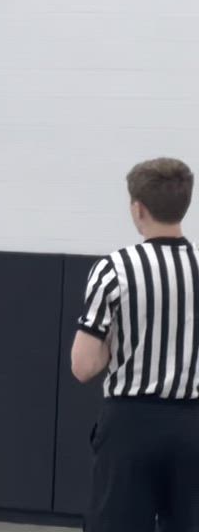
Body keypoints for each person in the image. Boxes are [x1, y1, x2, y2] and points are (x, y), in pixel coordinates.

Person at [73, 157, 199, 531]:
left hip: (131, 421)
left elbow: (83, 366)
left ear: (138, 208)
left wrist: (120, 343)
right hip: (193, 423)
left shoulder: (115, 268)